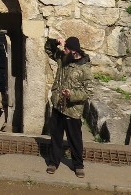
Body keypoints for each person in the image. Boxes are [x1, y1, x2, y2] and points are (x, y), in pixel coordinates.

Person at [44, 35, 91, 178]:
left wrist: (71, 94)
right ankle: (53, 162)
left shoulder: (84, 68)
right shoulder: (63, 58)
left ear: (74, 52)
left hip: (73, 110)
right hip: (58, 106)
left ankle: (78, 165)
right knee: (56, 136)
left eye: (66, 48)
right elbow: (48, 49)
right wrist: (56, 41)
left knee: (74, 139)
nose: (63, 50)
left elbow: (88, 91)